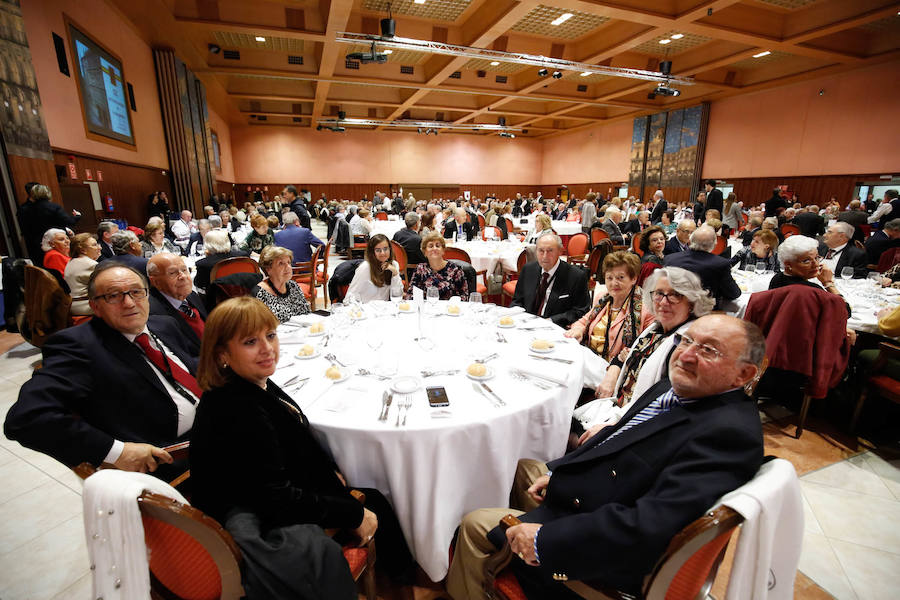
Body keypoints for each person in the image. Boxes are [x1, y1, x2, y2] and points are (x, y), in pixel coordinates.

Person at [446, 313, 765, 600]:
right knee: (527, 468)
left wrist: (545, 539)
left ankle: (482, 584)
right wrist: (560, 472)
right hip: (604, 492)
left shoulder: (727, 435)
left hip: (607, 537)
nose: (686, 354)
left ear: (742, 375)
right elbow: (619, 436)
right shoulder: (679, 388)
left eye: (708, 350)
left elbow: (650, 526)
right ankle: (516, 556)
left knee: (474, 524)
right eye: (686, 340)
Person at [189, 297, 414, 581]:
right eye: (250, 342)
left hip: (274, 491)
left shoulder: (248, 383)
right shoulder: (237, 409)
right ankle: (399, 583)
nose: (267, 348)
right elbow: (275, 498)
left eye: (270, 335)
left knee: (376, 498)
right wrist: (353, 513)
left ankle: (397, 576)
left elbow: (287, 443)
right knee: (376, 502)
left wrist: (328, 471)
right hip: (259, 517)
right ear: (222, 354)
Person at [4, 263, 199, 475]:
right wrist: (117, 451)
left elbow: (193, 368)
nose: (129, 302)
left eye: (136, 292)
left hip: (216, 424)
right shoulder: (78, 346)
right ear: (95, 307)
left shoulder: (165, 325)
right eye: (113, 296)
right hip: (175, 458)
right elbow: (27, 418)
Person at [578, 267, 714, 434]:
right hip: (616, 405)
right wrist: (614, 370)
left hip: (636, 424)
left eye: (674, 295)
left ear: (692, 302)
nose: (663, 302)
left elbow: (661, 405)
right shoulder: (655, 329)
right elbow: (625, 354)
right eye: (658, 293)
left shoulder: (685, 345)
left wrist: (613, 426)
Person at [564, 252, 653, 362]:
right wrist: (578, 330)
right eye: (609, 278)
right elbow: (583, 321)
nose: (614, 283)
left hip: (617, 370)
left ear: (633, 279)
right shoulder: (602, 299)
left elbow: (650, 346)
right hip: (589, 360)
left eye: (620, 277)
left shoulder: (646, 308)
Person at [511, 234, 591, 327]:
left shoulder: (576, 276)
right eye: (541, 251)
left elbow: (581, 311)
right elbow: (517, 301)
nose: (545, 256)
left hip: (555, 327)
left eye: (550, 251)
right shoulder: (528, 269)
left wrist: (551, 321)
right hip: (525, 325)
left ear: (560, 252)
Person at [664, 225, 740, 309]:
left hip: (673, 307)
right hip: (704, 312)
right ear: (714, 244)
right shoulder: (720, 264)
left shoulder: (670, 259)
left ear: (690, 240)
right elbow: (734, 293)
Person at [147, 253, 207, 355]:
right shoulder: (155, 316)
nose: (183, 276)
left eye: (184, 270)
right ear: (155, 282)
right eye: (172, 273)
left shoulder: (191, 296)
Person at [19, 184, 80, 266]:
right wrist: (77, 216)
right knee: (61, 265)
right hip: (55, 243)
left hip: (35, 245)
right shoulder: (54, 207)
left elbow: (24, 229)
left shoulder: (24, 209)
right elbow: (69, 222)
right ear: (48, 193)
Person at [406, 232, 469, 300]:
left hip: (449, 309)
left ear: (443, 250)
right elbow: (410, 294)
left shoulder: (455, 270)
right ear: (425, 252)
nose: (434, 248)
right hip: (426, 309)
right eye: (430, 246)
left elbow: (464, 296)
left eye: (438, 246)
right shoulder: (420, 269)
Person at [255, 245, 311, 322]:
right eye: (281, 263)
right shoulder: (260, 293)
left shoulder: (293, 286)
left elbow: (307, 313)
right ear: (268, 269)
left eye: (288, 262)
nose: (288, 267)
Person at [347, 234, 402, 303]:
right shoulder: (365, 267)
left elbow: (397, 295)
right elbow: (350, 296)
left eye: (385, 249)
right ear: (372, 252)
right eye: (378, 250)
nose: (383, 253)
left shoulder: (394, 265)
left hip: (385, 309)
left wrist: (395, 273)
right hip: (366, 309)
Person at [64, 233, 101, 316]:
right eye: (94, 245)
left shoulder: (71, 261)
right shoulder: (90, 264)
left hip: (74, 305)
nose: (99, 248)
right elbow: (105, 286)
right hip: (85, 306)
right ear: (83, 250)